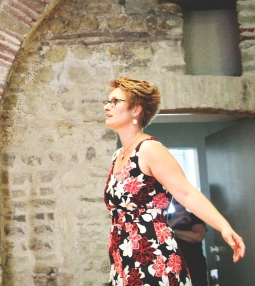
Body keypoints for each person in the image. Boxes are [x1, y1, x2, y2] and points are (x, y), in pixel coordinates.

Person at [103, 77, 245, 286]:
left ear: (136, 110)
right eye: (107, 101)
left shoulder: (149, 149)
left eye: (115, 101)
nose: (107, 106)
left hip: (153, 255)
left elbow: (186, 192)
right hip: (122, 255)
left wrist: (224, 227)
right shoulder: (118, 155)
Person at [169, 200, 209, 286]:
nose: (177, 201)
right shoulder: (167, 217)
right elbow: (160, 229)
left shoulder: (195, 217)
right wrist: (178, 220)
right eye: (174, 199)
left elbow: (197, 237)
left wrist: (172, 231)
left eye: (179, 199)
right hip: (173, 263)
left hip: (194, 262)